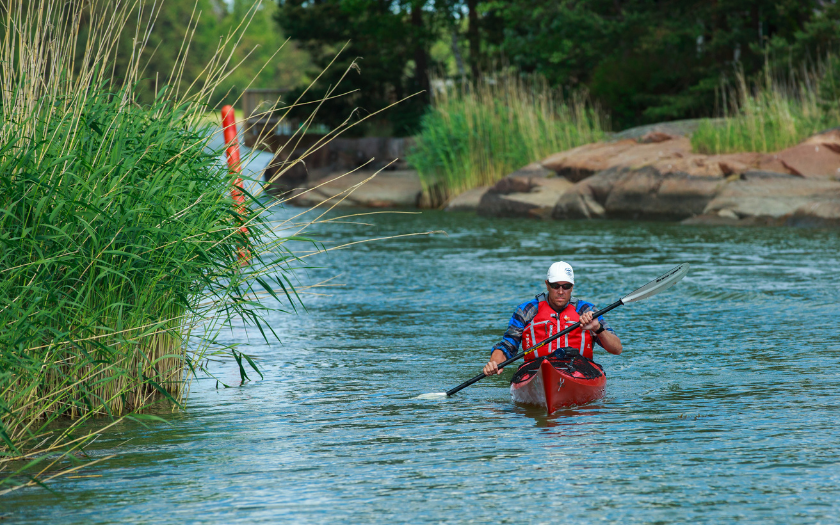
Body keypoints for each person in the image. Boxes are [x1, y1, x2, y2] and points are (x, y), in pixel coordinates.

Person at [483, 261, 622, 376]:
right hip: (535, 372)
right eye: (555, 286)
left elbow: (617, 349)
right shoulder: (526, 310)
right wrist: (494, 362)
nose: (561, 291)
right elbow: (507, 345)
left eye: (566, 286)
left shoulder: (587, 310)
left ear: (572, 287)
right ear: (547, 284)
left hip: (580, 372)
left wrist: (598, 329)